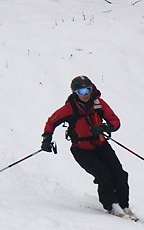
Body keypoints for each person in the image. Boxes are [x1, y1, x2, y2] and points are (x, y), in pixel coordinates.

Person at [41, 75, 134, 218]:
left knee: (120, 174)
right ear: (75, 93)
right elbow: (51, 121)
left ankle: (124, 206)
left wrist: (104, 127)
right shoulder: (69, 109)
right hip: (81, 150)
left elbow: (115, 121)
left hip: (101, 145)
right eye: (81, 92)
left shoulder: (99, 104)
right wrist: (47, 139)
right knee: (104, 175)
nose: (85, 95)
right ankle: (111, 206)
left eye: (87, 90)